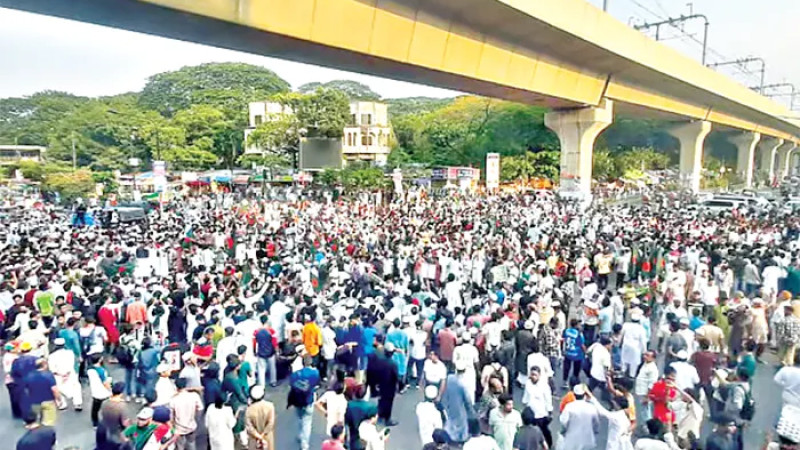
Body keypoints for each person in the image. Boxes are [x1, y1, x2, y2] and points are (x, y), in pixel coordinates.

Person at [288, 355, 320, 450]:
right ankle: (304, 444)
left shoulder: (295, 374)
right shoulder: (315, 373)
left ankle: (300, 435)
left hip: (297, 401)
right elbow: (316, 385)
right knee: (307, 422)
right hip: (308, 401)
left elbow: (291, 385)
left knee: (300, 418)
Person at [439, 359, 474, 443]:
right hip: (460, 406)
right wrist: (470, 409)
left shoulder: (450, 378)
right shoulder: (463, 383)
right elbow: (467, 399)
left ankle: (450, 436)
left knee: (450, 420)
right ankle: (461, 439)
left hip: (449, 404)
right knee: (461, 423)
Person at [559, 384, 599, 450]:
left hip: (572, 439)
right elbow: (596, 423)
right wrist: (594, 431)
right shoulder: (591, 407)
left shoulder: (569, 407)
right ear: (584, 395)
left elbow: (563, 422)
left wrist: (563, 431)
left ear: (574, 395)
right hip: (587, 439)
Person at [47, 337, 82, 411]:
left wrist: (61, 375)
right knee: (76, 387)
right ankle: (77, 403)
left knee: (59, 389)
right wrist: (66, 374)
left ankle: (62, 404)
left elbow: (51, 368)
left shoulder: (52, 356)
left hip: (58, 376)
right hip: (70, 374)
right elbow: (72, 364)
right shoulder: (70, 353)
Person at [521, 366, 553, 447]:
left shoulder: (544, 386)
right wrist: (524, 404)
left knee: (543, 430)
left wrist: (549, 411)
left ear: (539, 375)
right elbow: (526, 395)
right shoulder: (528, 383)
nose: (533, 376)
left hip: (541, 414)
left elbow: (548, 399)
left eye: (535, 375)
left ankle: (548, 444)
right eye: (532, 374)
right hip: (531, 412)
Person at [23, 357, 60, 427]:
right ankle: (47, 433)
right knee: (49, 423)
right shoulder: (48, 375)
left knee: (36, 423)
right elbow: (54, 389)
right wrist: (58, 399)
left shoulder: (29, 376)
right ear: (44, 365)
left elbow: (25, 390)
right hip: (48, 401)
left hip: (34, 402)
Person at [169, 377, 203, 450]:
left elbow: (171, 416)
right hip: (191, 426)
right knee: (191, 443)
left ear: (176, 387)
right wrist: (195, 419)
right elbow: (200, 409)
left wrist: (172, 428)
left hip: (179, 428)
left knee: (180, 446)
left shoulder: (173, 400)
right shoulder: (194, 396)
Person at [98, 381, 130, 449]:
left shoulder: (104, 402)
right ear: (121, 393)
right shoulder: (122, 406)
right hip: (116, 434)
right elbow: (125, 423)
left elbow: (101, 415)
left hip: (103, 431)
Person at [245, 385, 276, 450]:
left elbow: (249, 428)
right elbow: (271, 423)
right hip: (267, 437)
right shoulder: (270, 406)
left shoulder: (249, 410)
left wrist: (258, 436)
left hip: (254, 439)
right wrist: (263, 435)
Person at [345, 385, 374, 450]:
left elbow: (347, 418)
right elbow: (373, 420)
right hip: (365, 433)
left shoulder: (349, 405)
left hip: (353, 431)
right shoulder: (370, 407)